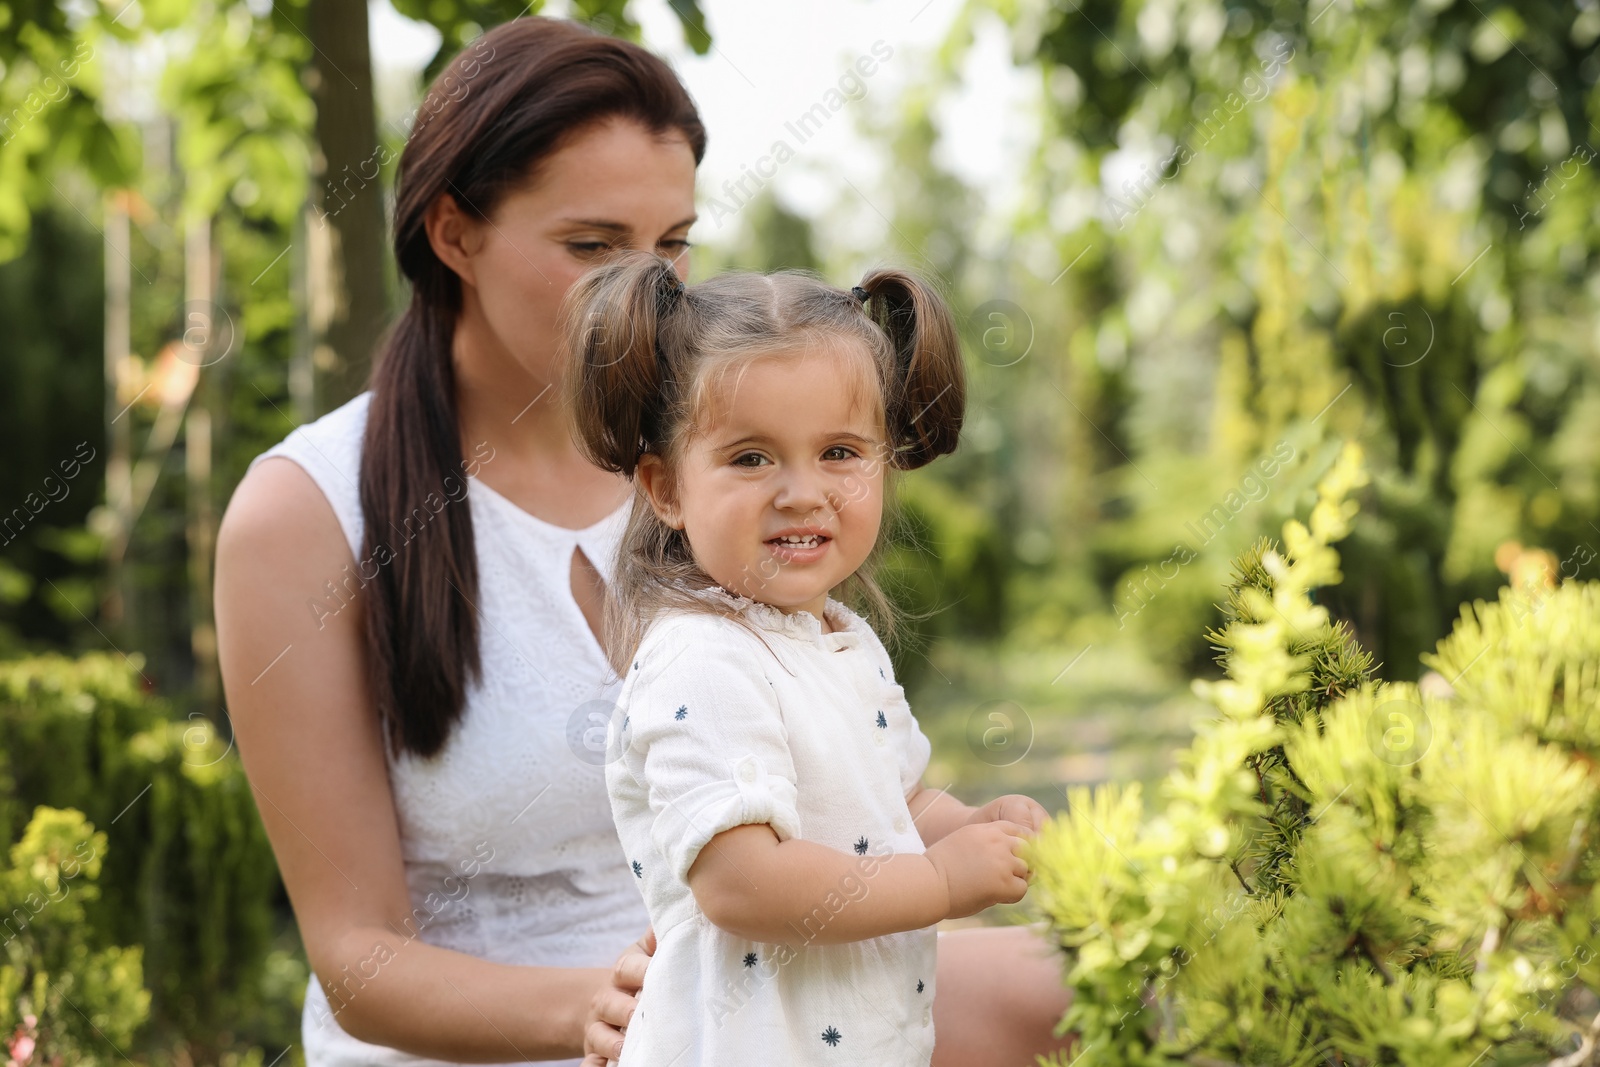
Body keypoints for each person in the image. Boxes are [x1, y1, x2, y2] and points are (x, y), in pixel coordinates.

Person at [214, 15, 1072, 1067]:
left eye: (671, 245)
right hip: (558, 1028)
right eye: (592, 245)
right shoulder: (305, 513)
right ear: (453, 233)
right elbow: (357, 962)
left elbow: (848, 792)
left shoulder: (718, 463)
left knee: (1103, 987)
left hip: (744, 984)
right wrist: (611, 1003)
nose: (642, 288)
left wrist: (968, 835)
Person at [563, 250, 1042, 1066]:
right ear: (665, 486)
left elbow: (895, 800)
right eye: (751, 457)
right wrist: (942, 883)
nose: (802, 490)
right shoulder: (702, 660)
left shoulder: (841, 640)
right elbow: (743, 882)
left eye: (841, 452)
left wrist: (971, 827)